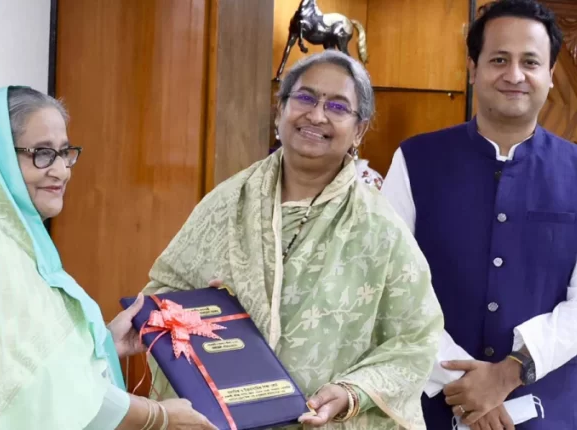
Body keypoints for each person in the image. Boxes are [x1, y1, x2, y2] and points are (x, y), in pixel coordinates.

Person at [0, 86, 216, 430]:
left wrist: (106, 341)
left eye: (64, 152)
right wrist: (157, 416)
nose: (62, 171)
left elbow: (18, 362)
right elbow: (38, 393)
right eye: (42, 153)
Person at [140, 50, 444, 429]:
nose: (316, 116)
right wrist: (205, 309)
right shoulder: (228, 202)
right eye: (305, 98)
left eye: (337, 106)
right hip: (222, 417)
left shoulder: (379, 228)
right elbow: (162, 297)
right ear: (279, 109)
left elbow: (416, 339)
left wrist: (352, 392)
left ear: (359, 130)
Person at [380, 1, 577, 429]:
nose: (514, 75)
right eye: (499, 60)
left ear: (550, 73)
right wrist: (465, 385)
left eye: (530, 62)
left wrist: (507, 374)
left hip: (546, 410)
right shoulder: (414, 160)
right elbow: (389, 288)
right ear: (473, 68)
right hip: (428, 406)